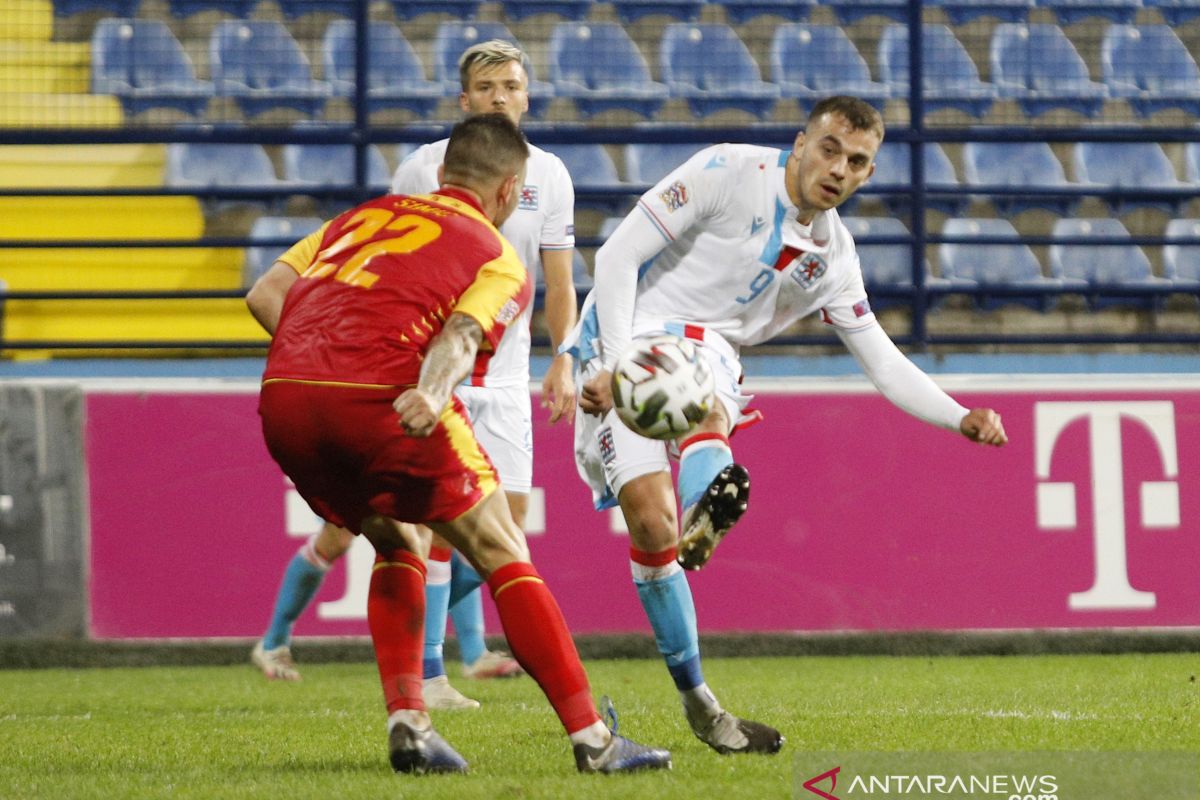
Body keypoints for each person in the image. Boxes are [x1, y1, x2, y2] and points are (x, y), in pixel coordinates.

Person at [564, 95, 1008, 756]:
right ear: (800, 143)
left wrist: (958, 416)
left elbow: (882, 361)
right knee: (649, 529)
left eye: (857, 161)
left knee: (706, 398)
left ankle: (702, 700)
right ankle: (695, 514)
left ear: (867, 175)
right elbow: (618, 257)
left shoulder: (834, 258)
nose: (839, 168)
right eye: (829, 148)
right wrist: (609, 362)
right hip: (625, 333)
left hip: (708, 353)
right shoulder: (726, 171)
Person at [247, 113, 670, 775]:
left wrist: (323, 366)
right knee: (502, 547)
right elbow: (460, 339)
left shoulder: (360, 219)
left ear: (443, 176)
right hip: (387, 399)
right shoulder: (496, 254)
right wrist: (429, 389)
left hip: (287, 401)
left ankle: (411, 723)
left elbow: (264, 293)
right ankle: (594, 739)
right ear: (509, 192)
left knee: (396, 539)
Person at [251, 39, 578, 712]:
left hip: (504, 378)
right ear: (464, 100)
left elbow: (560, 282)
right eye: (487, 86)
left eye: (512, 85)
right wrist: (402, 373)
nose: (500, 96)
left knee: (490, 533)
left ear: (527, 93)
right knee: (435, 534)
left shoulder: (553, 174)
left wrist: (564, 360)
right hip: (423, 376)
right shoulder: (422, 169)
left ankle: (421, 693)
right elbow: (398, 283)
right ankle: (436, 680)